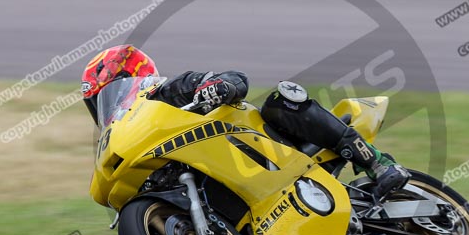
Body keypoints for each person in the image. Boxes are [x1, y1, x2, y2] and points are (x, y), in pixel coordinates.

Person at [81, 45, 410, 199]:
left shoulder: (170, 90)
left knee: (282, 100)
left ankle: (378, 165)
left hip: (259, 144)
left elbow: (234, 78)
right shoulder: (130, 130)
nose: (105, 105)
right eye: (98, 102)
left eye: (108, 93)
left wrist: (218, 86)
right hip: (218, 171)